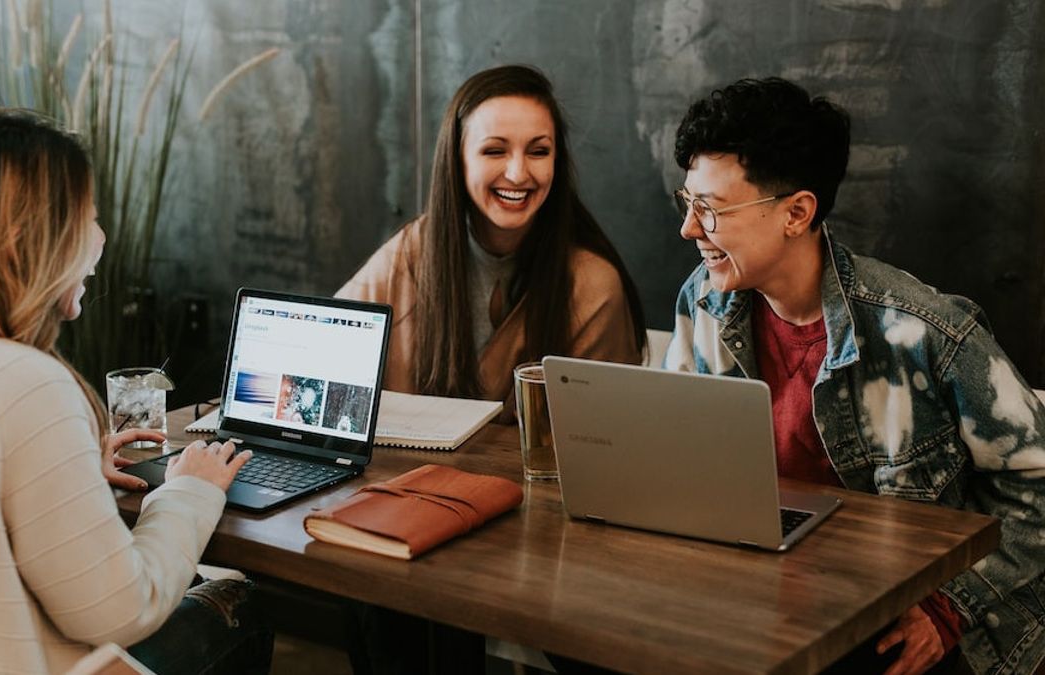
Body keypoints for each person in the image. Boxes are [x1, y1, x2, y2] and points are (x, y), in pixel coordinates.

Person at [0, 109, 272, 674]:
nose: (100, 238)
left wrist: (64, 470)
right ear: (31, 238)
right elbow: (122, 612)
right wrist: (187, 492)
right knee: (243, 604)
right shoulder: (25, 384)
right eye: (88, 217)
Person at [663, 77, 1045, 675]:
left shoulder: (924, 332)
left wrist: (949, 610)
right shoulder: (704, 302)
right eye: (686, 202)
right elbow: (679, 458)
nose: (689, 229)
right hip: (762, 594)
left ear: (796, 213)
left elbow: (1037, 486)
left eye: (709, 209)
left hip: (898, 614)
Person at [338, 64, 646, 420]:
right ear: (458, 160)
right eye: (495, 151)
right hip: (407, 475)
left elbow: (606, 438)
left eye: (538, 151)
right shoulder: (411, 252)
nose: (518, 173)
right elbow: (322, 353)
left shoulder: (593, 285)